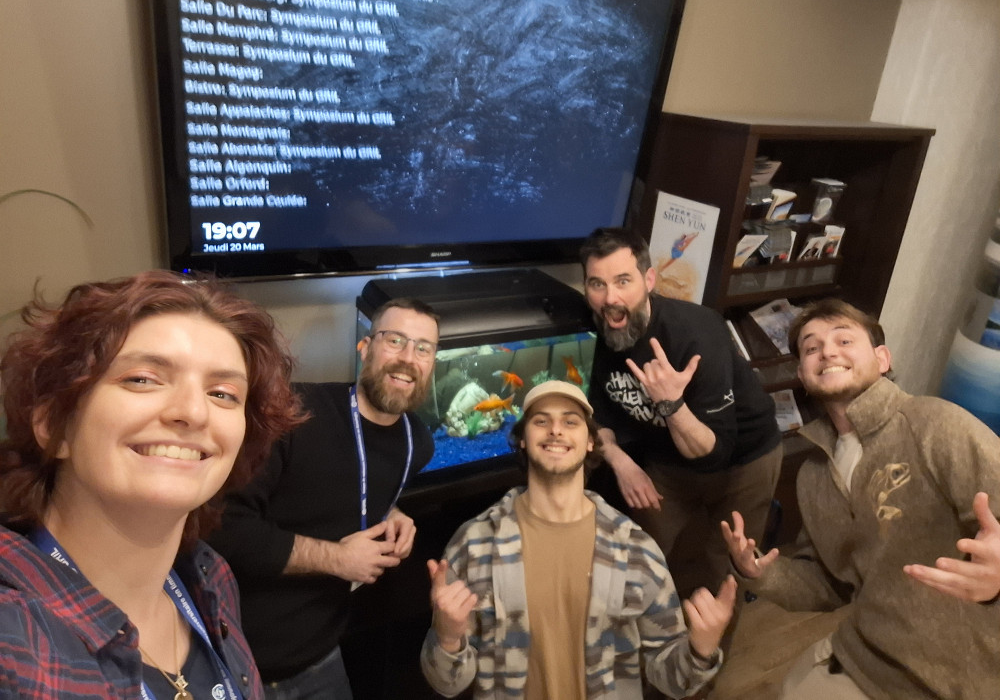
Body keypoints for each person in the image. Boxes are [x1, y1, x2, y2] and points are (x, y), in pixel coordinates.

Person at [0, 270, 304, 699]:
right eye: (142, 379)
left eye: (222, 393)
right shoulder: (12, 643)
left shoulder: (211, 579)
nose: (193, 413)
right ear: (54, 425)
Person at [722, 298, 1000, 699]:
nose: (828, 351)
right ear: (802, 373)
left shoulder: (936, 424)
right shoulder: (813, 476)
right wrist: (760, 573)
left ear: (882, 358)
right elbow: (831, 584)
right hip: (866, 657)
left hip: (965, 679)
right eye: (811, 347)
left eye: (844, 339)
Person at [421, 380, 737, 699]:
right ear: (522, 441)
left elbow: (670, 680)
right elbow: (447, 683)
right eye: (541, 420)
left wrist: (700, 650)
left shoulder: (636, 550)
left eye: (571, 421)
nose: (555, 430)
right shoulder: (474, 544)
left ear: (590, 442)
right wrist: (447, 639)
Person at [207, 297, 439, 699]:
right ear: (364, 347)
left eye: (423, 348)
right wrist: (337, 559)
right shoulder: (296, 413)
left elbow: (356, 485)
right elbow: (223, 524)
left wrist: (394, 510)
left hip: (322, 658)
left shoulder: (417, 442)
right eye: (395, 340)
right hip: (237, 662)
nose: (408, 358)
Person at [580, 227, 782, 596]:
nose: (611, 298)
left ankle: (707, 653)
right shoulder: (593, 332)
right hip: (666, 456)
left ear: (649, 279)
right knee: (635, 553)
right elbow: (597, 416)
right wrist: (621, 463)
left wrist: (670, 404)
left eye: (624, 281)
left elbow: (714, 453)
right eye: (597, 284)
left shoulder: (697, 332)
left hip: (743, 458)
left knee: (724, 569)